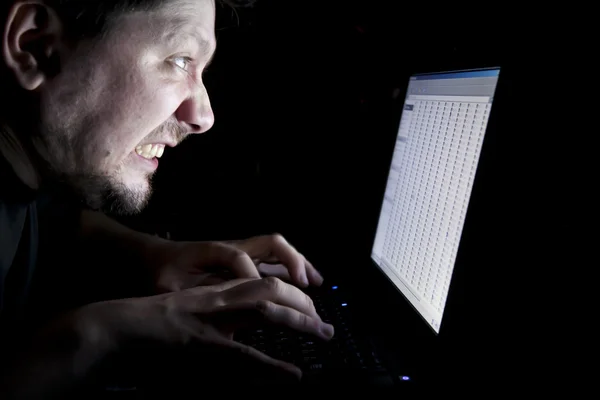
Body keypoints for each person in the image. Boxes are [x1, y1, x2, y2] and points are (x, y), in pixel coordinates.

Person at [0, 0, 333, 397]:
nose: (203, 116)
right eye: (179, 60)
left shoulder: (24, 176)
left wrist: (153, 254)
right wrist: (93, 336)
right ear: (36, 46)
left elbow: (49, 216)